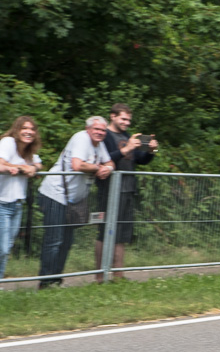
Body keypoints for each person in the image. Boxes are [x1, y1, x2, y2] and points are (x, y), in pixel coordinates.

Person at [37, 117, 114, 288]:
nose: (100, 133)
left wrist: (106, 168)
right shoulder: (81, 139)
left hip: (72, 200)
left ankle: (56, 280)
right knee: (54, 240)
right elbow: (77, 165)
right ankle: (44, 282)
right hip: (54, 195)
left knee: (66, 242)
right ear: (88, 129)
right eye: (97, 129)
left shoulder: (99, 145)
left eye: (103, 130)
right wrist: (97, 168)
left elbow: (110, 163)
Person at [95, 103, 157, 282]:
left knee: (122, 233)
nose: (127, 123)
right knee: (104, 231)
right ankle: (99, 276)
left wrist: (152, 150)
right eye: (123, 118)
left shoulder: (127, 136)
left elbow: (141, 160)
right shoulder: (104, 135)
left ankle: (118, 275)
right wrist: (127, 148)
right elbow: (104, 158)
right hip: (108, 189)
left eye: (129, 120)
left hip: (128, 189)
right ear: (112, 116)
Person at [0, 117, 42, 279]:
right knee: (3, 248)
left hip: (17, 204)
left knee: (7, 246)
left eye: (32, 129)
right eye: (25, 128)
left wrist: (32, 167)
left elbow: (38, 164)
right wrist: (22, 168)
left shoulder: (28, 151)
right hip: (2, 203)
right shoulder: (8, 142)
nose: (29, 132)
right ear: (17, 130)